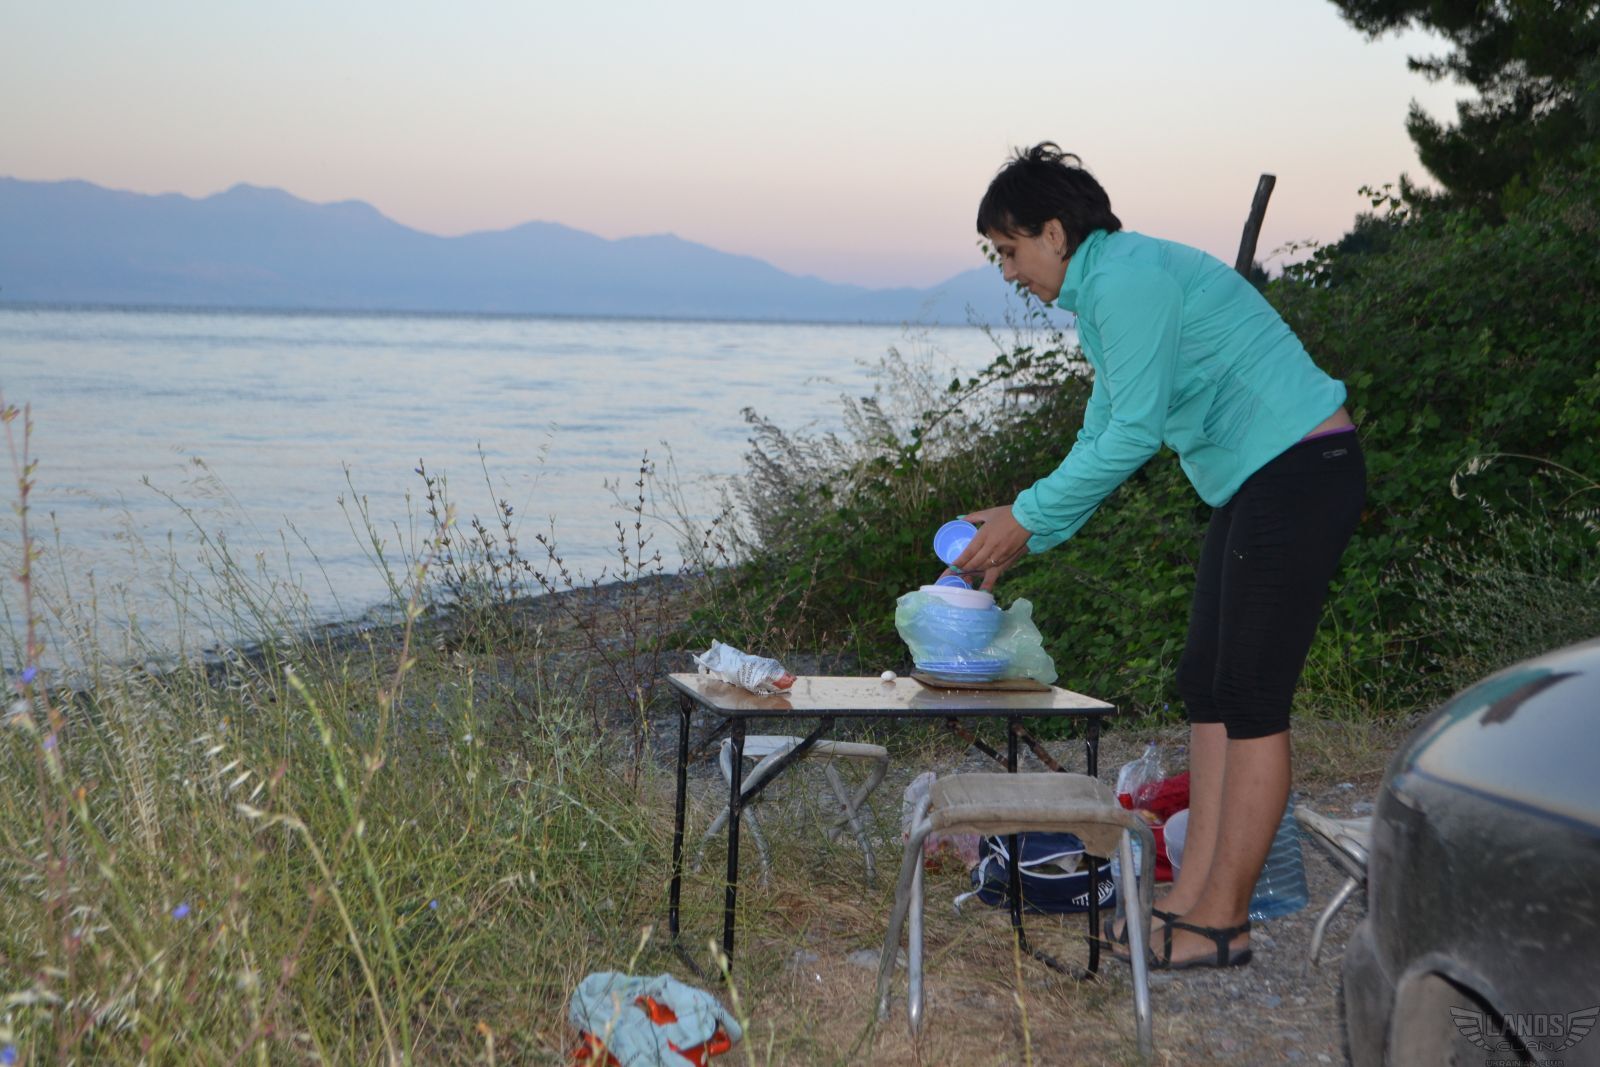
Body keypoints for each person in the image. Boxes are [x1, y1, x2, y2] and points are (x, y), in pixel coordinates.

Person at [951, 143, 1366, 970]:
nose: (1008, 272)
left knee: (1251, 695)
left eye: (1009, 249)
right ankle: (1193, 893)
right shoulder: (1106, 291)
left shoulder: (1125, 281)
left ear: (1054, 232)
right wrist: (1025, 530)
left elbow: (1135, 434)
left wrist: (1025, 519)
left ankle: (1224, 920)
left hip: (1299, 468)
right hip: (1261, 477)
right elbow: (1104, 431)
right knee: (1206, 683)